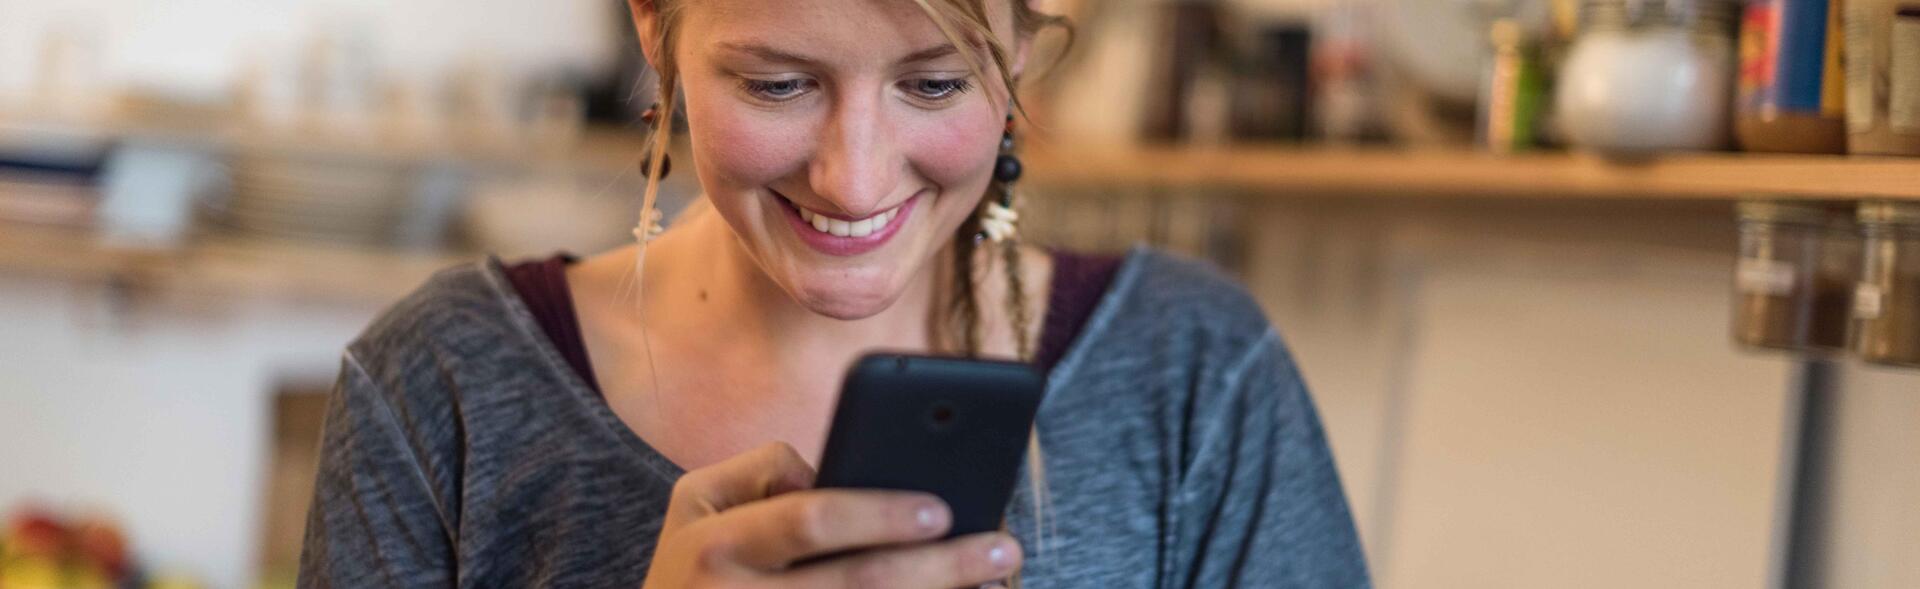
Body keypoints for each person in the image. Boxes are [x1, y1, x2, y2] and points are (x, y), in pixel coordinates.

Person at [298, 0, 1368, 587]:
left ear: (1029, 44)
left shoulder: (1194, 374)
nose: (854, 177)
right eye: (777, 82)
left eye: (935, 83)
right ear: (652, 27)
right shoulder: (439, 387)